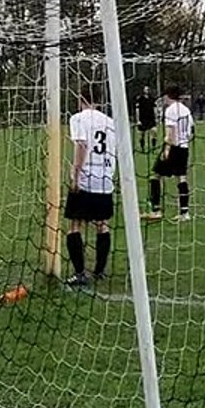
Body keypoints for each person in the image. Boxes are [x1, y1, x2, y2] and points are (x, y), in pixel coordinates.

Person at [63, 90, 116, 287]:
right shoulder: (110, 122)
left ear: (81, 99)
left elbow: (82, 145)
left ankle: (79, 274)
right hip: (105, 179)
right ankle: (100, 270)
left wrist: (75, 175)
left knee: (75, 225)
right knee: (102, 224)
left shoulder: (77, 118)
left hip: (86, 178)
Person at [146, 85, 195, 222]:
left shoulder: (171, 111)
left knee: (155, 176)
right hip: (184, 147)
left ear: (168, 96)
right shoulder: (186, 110)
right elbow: (191, 129)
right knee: (182, 178)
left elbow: (171, 132)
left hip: (173, 147)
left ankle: (156, 210)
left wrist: (167, 149)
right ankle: (185, 213)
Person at [134, 86, 157, 151]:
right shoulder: (140, 99)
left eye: (148, 89)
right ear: (143, 90)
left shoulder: (152, 99)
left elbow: (155, 108)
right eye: (146, 89)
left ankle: (153, 148)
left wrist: (156, 117)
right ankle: (142, 148)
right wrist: (138, 120)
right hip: (142, 119)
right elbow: (137, 110)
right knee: (142, 135)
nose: (147, 90)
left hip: (151, 119)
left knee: (154, 132)